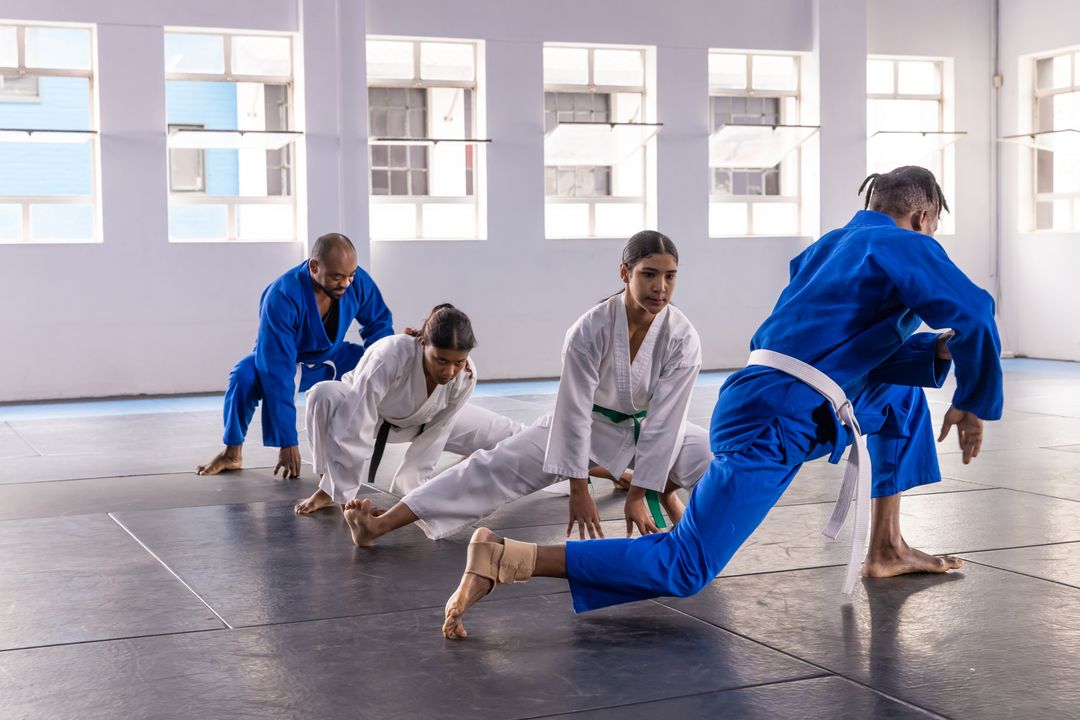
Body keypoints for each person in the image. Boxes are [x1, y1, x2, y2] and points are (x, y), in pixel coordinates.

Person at [439, 166, 1004, 641]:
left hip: (767, 393)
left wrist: (943, 356)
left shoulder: (830, 247)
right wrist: (974, 398)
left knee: (902, 394)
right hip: (774, 417)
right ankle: (505, 558)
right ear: (925, 218)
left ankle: (885, 545)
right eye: (934, 228)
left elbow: (849, 350)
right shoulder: (904, 242)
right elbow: (976, 309)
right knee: (687, 567)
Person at [339, 230, 713, 551]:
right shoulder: (591, 329)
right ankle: (379, 524)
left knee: (708, 456)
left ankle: (677, 505)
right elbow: (574, 410)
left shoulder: (682, 337)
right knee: (493, 467)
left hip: (648, 427)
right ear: (624, 273)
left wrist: (639, 494)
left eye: (670, 277)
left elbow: (667, 421)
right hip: (588, 424)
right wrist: (580, 490)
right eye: (649, 274)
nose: (660, 287)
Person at [294, 304, 524, 515]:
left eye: (458, 362)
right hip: (373, 416)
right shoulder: (390, 355)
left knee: (514, 436)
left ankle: (559, 472)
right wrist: (345, 496)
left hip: (423, 421)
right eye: (441, 360)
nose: (449, 371)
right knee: (322, 394)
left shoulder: (465, 375)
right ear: (423, 344)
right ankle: (328, 488)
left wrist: (408, 496)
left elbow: (438, 432)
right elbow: (356, 421)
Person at [197, 233, 393, 479]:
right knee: (243, 376)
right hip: (283, 357)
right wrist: (288, 441)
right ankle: (232, 452)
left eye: (350, 275)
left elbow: (379, 325)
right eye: (337, 277)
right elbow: (277, 370)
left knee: (378, 363)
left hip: (330, 356)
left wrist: (387, 365)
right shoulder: (282, 295)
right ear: (314, 267)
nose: (345, 283)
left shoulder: (357, 281)